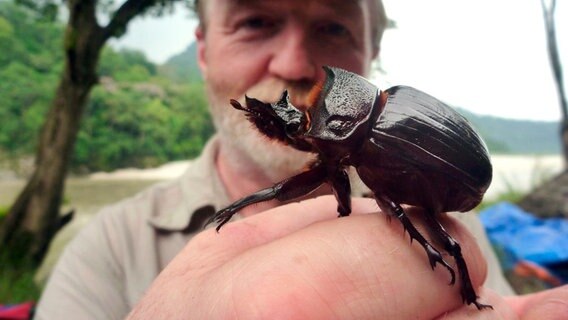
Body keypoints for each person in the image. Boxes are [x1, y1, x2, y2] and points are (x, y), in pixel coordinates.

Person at [35, 0, 568, 319]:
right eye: (255, 21)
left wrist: (468, 294)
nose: (293, 62)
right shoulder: (104, 252)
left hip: (456, 189)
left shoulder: (375, 147)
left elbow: (439, 234)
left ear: (372, 48)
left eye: (333, 26)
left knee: (430, 232)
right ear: (202, 49)